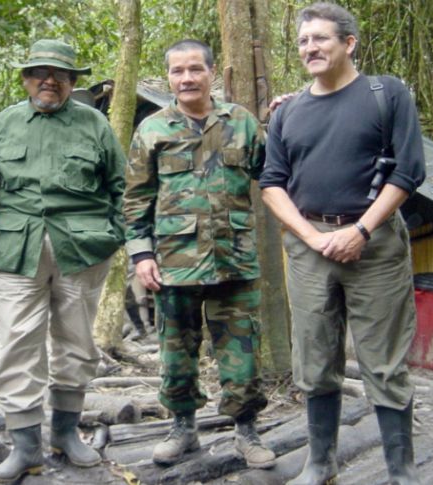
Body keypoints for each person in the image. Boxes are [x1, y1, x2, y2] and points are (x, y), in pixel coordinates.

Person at [259, 3, 426, 484]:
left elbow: (408, 170)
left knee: (384, 360)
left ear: (348, 43)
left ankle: (400, 471)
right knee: (314, 357)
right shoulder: (289, 111)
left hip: (375, 245)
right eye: (303, 41)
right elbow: (272, 183)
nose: (310, 48)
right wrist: (312, 236)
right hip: (309, 248)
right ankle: (320, 461)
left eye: (320, 38)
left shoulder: (386, 94)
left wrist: (361, 231)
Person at [0, 39, 126, 483]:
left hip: (83, 251)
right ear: (26, 79)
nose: (49, 80)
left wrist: (111, 238)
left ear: (71, 81)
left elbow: (120, 186)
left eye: (60, 74)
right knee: (18, 344)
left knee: (76, 342)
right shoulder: (2, 125)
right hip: (19, 251)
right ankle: (26, 447)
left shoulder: (94, 124)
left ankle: (66, 436)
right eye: (39, 72)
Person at [123, 39, 275, 469]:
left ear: (211, 72)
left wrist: (286, 119)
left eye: (195, 69)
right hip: (174, 263)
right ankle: (183, 429)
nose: (187, 78)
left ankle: (246, 430)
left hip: (234, 261)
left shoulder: (242, 123)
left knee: (243, 354)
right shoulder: (152, 130)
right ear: (169, 77)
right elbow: (135, 199)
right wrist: (141, 254)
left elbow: (274, 175)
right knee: (176, 353)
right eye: (178, 71)